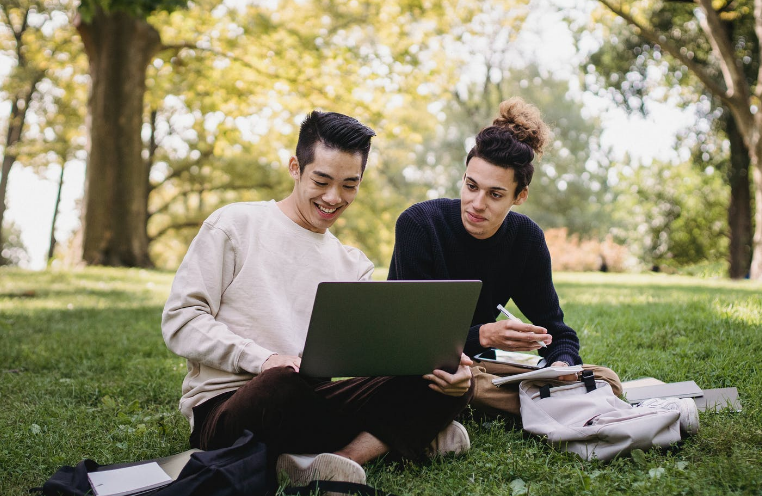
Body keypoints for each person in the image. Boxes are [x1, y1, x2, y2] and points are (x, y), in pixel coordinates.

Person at [162, 110, 474, 488]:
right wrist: (265, 360)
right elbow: (181, 320)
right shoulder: (234, 225)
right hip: (236, 405)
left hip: (315, 402)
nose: (333, 198)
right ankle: (404, 438)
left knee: (449, 376)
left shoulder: (353, 264)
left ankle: (336, 461)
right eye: (322, 180)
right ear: (296, 167)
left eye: (349, 185)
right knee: (280, 385)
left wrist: (436, 365)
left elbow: (366, 359)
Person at [387, 97, 622, 418]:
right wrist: (484, 334)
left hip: (477, 368)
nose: (476, 203)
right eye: (471, 186)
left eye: (495, 194)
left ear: (520, 196)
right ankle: (557, 401)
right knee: (451, 381)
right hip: (423, 367)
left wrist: (561, 366)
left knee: (606, 379)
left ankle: (552, 393)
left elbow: (558, 333)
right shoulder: (419, 224)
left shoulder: (525, 239)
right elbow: (410, 341)